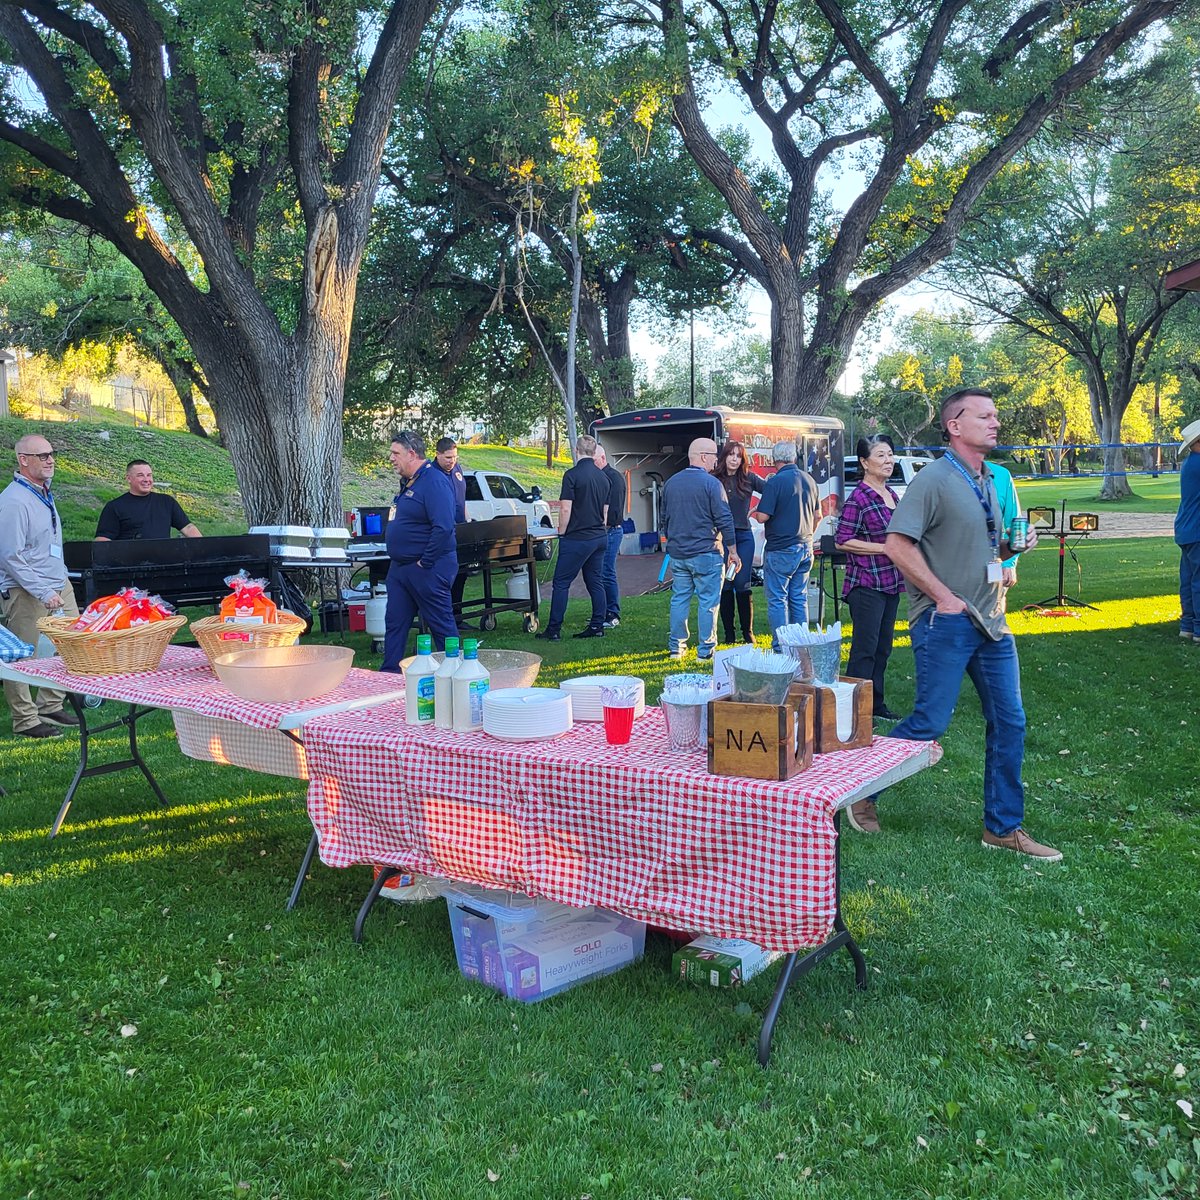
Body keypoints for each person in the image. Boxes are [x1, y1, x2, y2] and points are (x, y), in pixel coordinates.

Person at [849, 388, 1061, 863]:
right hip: (945, 621)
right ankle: (860, 789)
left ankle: (1002, 827)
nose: (995, 422)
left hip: (992, 620)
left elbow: (987, 548)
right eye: (984, 415)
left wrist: (1012, 548)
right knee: (930, 722)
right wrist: (943, 597)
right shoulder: (934, 479)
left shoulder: (989, 479)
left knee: (1010, 722)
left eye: (996, 415)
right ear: (954, 426)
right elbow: (899, 545)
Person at [0, 434, 82, 738]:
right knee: (21, 656)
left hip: (57, 581)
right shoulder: (13, 501)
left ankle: (51, 704)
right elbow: (10, 555)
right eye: (43, 455)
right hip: (26, 589)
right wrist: (43, 590)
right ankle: (25, 720)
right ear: (23, 460)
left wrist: (60, 578)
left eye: (52, 454)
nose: (51, 460)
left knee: (70, 643)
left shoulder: (42, 492)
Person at [834, 435, 905, 720]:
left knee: (883, 647)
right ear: (864, 462)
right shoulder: (859, 498)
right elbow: (842, 540)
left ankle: (876, 705)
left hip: (891, 581)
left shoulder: (892, 495)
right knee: (865, 648)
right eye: (880, 455)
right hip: (866, 584)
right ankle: (853, 710)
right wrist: (884, 548)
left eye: (890, 454)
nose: (888, 461)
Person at [380, 430, 458, 671]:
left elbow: (444, 526)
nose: (391, 458)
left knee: (441, 624)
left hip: (426, 568)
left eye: (395, 453)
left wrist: (425, 562)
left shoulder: (434, 481)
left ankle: (456, 672)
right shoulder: (409, 482)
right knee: (394, 622)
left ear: (412, 453)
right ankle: (390, 674)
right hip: (400, 569)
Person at [661, 438, 738, 660]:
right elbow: (725, 518)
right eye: (715, 455)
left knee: (679, 599)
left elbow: (664, 518)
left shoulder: (671, 483)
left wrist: (670, 543)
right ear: (703, 456)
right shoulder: (712, 484)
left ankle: (676, 647)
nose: (717, 460)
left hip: (678, 553)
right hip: (707, 553)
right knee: (708, 602)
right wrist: (733, 550)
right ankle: (705, 651)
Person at [536, 435, 609, 643]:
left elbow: (566, 507)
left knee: (561, 583)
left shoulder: (572, 475)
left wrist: (562, 531)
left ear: (576, 451)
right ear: (594, 452)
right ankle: (597, 625)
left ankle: (554, 629)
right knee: (595, 581)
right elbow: (605, 511)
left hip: (577, 537)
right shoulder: (604, 477)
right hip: (598, 536)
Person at [752, 441, 819, 641]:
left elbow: (763, 517)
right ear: (794, 457)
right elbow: (818, 515)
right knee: (799, 597)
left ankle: (781, 645)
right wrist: (810, 536)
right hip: (806, 546)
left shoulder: (775, 482)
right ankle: (801, 645)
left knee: (778, 600)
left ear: (775, 459)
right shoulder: (809, 479)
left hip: (781, 548)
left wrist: (754, 512)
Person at [711, 439, 763, 643]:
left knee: (742, 584)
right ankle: (729, 634)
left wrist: (759, 510)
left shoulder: (749, 478)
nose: (734, 459)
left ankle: (747, 632)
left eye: (738, 455)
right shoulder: (715, 479)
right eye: (731, 454)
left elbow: (771, 491)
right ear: (724, 457)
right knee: (725, 584)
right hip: (722, 538)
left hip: (743, 537)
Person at [95, 460, 202, 540]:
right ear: (128, 479)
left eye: (149, 475)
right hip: (130, 565)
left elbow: (188, 528)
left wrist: (204, 548)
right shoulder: (114, 507)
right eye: (140, 475)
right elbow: (103, 539)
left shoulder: (166, 502)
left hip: (163, 562)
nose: (146, 480)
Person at [433, 437, 470, 622]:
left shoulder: (457, 470)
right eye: (448, 457)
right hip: (442, 533)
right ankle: (443, 618)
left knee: (461, 574)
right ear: (437, 454)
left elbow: (461, 499)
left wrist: (466, 518)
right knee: (444, 577)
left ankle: (458, 616)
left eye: (454, 457)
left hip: (460, 529)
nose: (451, 461)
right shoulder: (430, 474)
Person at [594, 444, 626, 629]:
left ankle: (612, 613)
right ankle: (603, 611)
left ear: (603, 458)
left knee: (607, 572)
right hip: (607, 530)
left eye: (595, 460)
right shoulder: (606, 477)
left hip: (611, 530)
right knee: (599, 572)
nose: (593, 464)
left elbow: (613, 511)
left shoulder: (613, 478)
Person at [1174, 418, 1200, 641]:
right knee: (1198, 580)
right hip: (1197, 529)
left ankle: (1188, 625)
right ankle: (1198, 628)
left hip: (1186, 528)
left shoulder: (1190, 463)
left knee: (1189, 578)